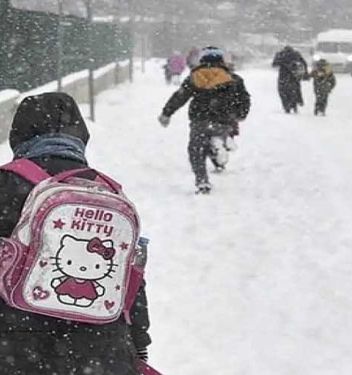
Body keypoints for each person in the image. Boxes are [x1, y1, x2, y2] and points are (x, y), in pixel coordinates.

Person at [0, 93, 151, 374]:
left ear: (18, 136)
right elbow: (131, 280)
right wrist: (138, 344)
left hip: (13, 346)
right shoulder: (106, 192)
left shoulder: (5, 184)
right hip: (99, 348)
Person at [159, 46, 251, 194]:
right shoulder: (234, 79)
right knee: (216, 136)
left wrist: (166, 113)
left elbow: (180, 96)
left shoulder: (195, 77)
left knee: (196, 149)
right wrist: (240, 114)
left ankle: (202, 181)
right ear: (222, 60)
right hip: (224, 119)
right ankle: (220, 147)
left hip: (200, 119)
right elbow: (244, 99)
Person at [272, 46, 308, 114]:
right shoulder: (296, 54)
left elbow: (274, 64)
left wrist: (282, 63)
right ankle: (296, 103)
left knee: (282, 91)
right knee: (295, 89)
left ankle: (287, 106)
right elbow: (304, 63)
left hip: (283, 75)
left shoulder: (281, 54)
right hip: (294, 75)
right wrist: (305, 73)